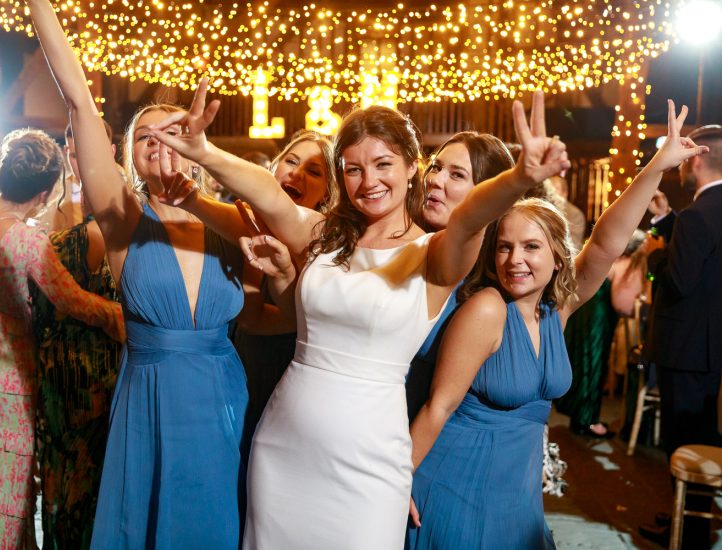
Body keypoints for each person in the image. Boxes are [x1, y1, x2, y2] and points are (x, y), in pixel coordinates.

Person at [150, 80, 569, 548]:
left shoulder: (435, 255)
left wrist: (519, 178)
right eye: (353, 169)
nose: (369, 182)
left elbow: (471, 215)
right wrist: (204, 153)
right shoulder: (324, 236)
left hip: (372, 461)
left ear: (412, 165)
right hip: (284, 446)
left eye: (383, 164)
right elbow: (268, 195)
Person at [405, 101, 707, 549]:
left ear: (558, 257)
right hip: (459, 482)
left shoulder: (555, 310)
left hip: (518, 494)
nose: (516, 259)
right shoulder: (487, 307)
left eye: (531, 247)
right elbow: (438, 407)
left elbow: (605, 242)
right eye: (505, 247)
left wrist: (656, 167)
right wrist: (399, 480)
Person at [28, 1, 256, 547]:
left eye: (172, 132)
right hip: (151, 401)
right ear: (129, 157)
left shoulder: (233, 222)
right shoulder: (124, 219)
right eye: (145, 136)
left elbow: (269, 308)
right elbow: (80, 101)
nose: (159, 141)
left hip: (224, 400)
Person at [0, 128, 123, 549]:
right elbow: (76, 301)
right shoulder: (26, 240)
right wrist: (122, 316)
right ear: (45, 193)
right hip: (3, 390)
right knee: (1, 498)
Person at [29, 122, 121, 550]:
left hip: (110, 365)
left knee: (103, 484)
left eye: (88, 142)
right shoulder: (49, 206)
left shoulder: (128, 203)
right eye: (72, 146)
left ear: (111, 148)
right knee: (60, 490)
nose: (78, 152)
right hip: (58, 368)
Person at [639, 124, 722, 548]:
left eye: (686, 159)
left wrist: (655, 258)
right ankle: (689, 516)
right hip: (712, 348)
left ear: (697, 162)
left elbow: (680, 281)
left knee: (683, 440)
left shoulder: (696, 215)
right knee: (703, 437)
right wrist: (665, 219)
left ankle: (688, 532)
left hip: (685, 349)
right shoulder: (701, 214)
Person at [406, 131, 515, 419]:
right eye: (436, 167)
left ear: (488, 196)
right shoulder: (404, 247)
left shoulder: (493, 288)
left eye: (456, 175)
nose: (435, 180)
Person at [234, 130, 334, 431]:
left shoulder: (327, 244)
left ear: (327, 193)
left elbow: (252, 318)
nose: (297, 174)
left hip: (294, 374)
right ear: (273, 169)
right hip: (246, 365)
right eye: (291, 161)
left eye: (314, 172)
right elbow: (250, 319)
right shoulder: (246, 222)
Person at [554, 230, 647, 438]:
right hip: (598, 317)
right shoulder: (625, 264)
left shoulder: (606, 260)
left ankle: (580, 417)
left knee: (580, 362)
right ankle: (588, 420)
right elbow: (622, 303)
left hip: (582, 311)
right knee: (593, 365)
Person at [548, 174, 586, 249]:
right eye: (549, 190)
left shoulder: (575, 214)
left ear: (564, 193)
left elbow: (574, 245)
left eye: (555, 189)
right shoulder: (544, 209)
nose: (551, 194)